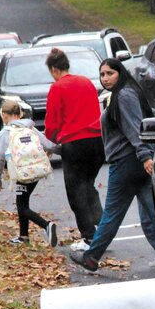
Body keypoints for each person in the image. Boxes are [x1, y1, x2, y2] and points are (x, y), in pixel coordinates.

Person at [69, 58, 155, 273]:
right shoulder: (122, 93)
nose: (105, 78)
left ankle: (91, 257)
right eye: (102, 74)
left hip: (127, 163)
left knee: (112, 213)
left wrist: (144, 155)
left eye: (110, 73)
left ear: (120, 73)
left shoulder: (124, 95)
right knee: (151, 216)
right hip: (136, 162)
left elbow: (134, 128)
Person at [44, 47, 105, 252]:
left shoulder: (57, 88)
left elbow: (52, 122)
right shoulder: (86, 82)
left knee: (76, 190)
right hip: (97, 141)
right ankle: (103, 227)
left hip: (75, 143)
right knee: (88, 184)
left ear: (54, 69)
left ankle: (89, 237)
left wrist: (50, 142)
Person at [0, 100, 60, 246]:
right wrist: (65, 152)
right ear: (20, 114)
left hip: (21, 173)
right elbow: (48, 144)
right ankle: (23, 236)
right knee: (22, 201)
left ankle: (46, 225)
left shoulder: (5, 133)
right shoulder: (30, 128)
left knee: (22, 206)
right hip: (36, 170)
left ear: (4, 115)